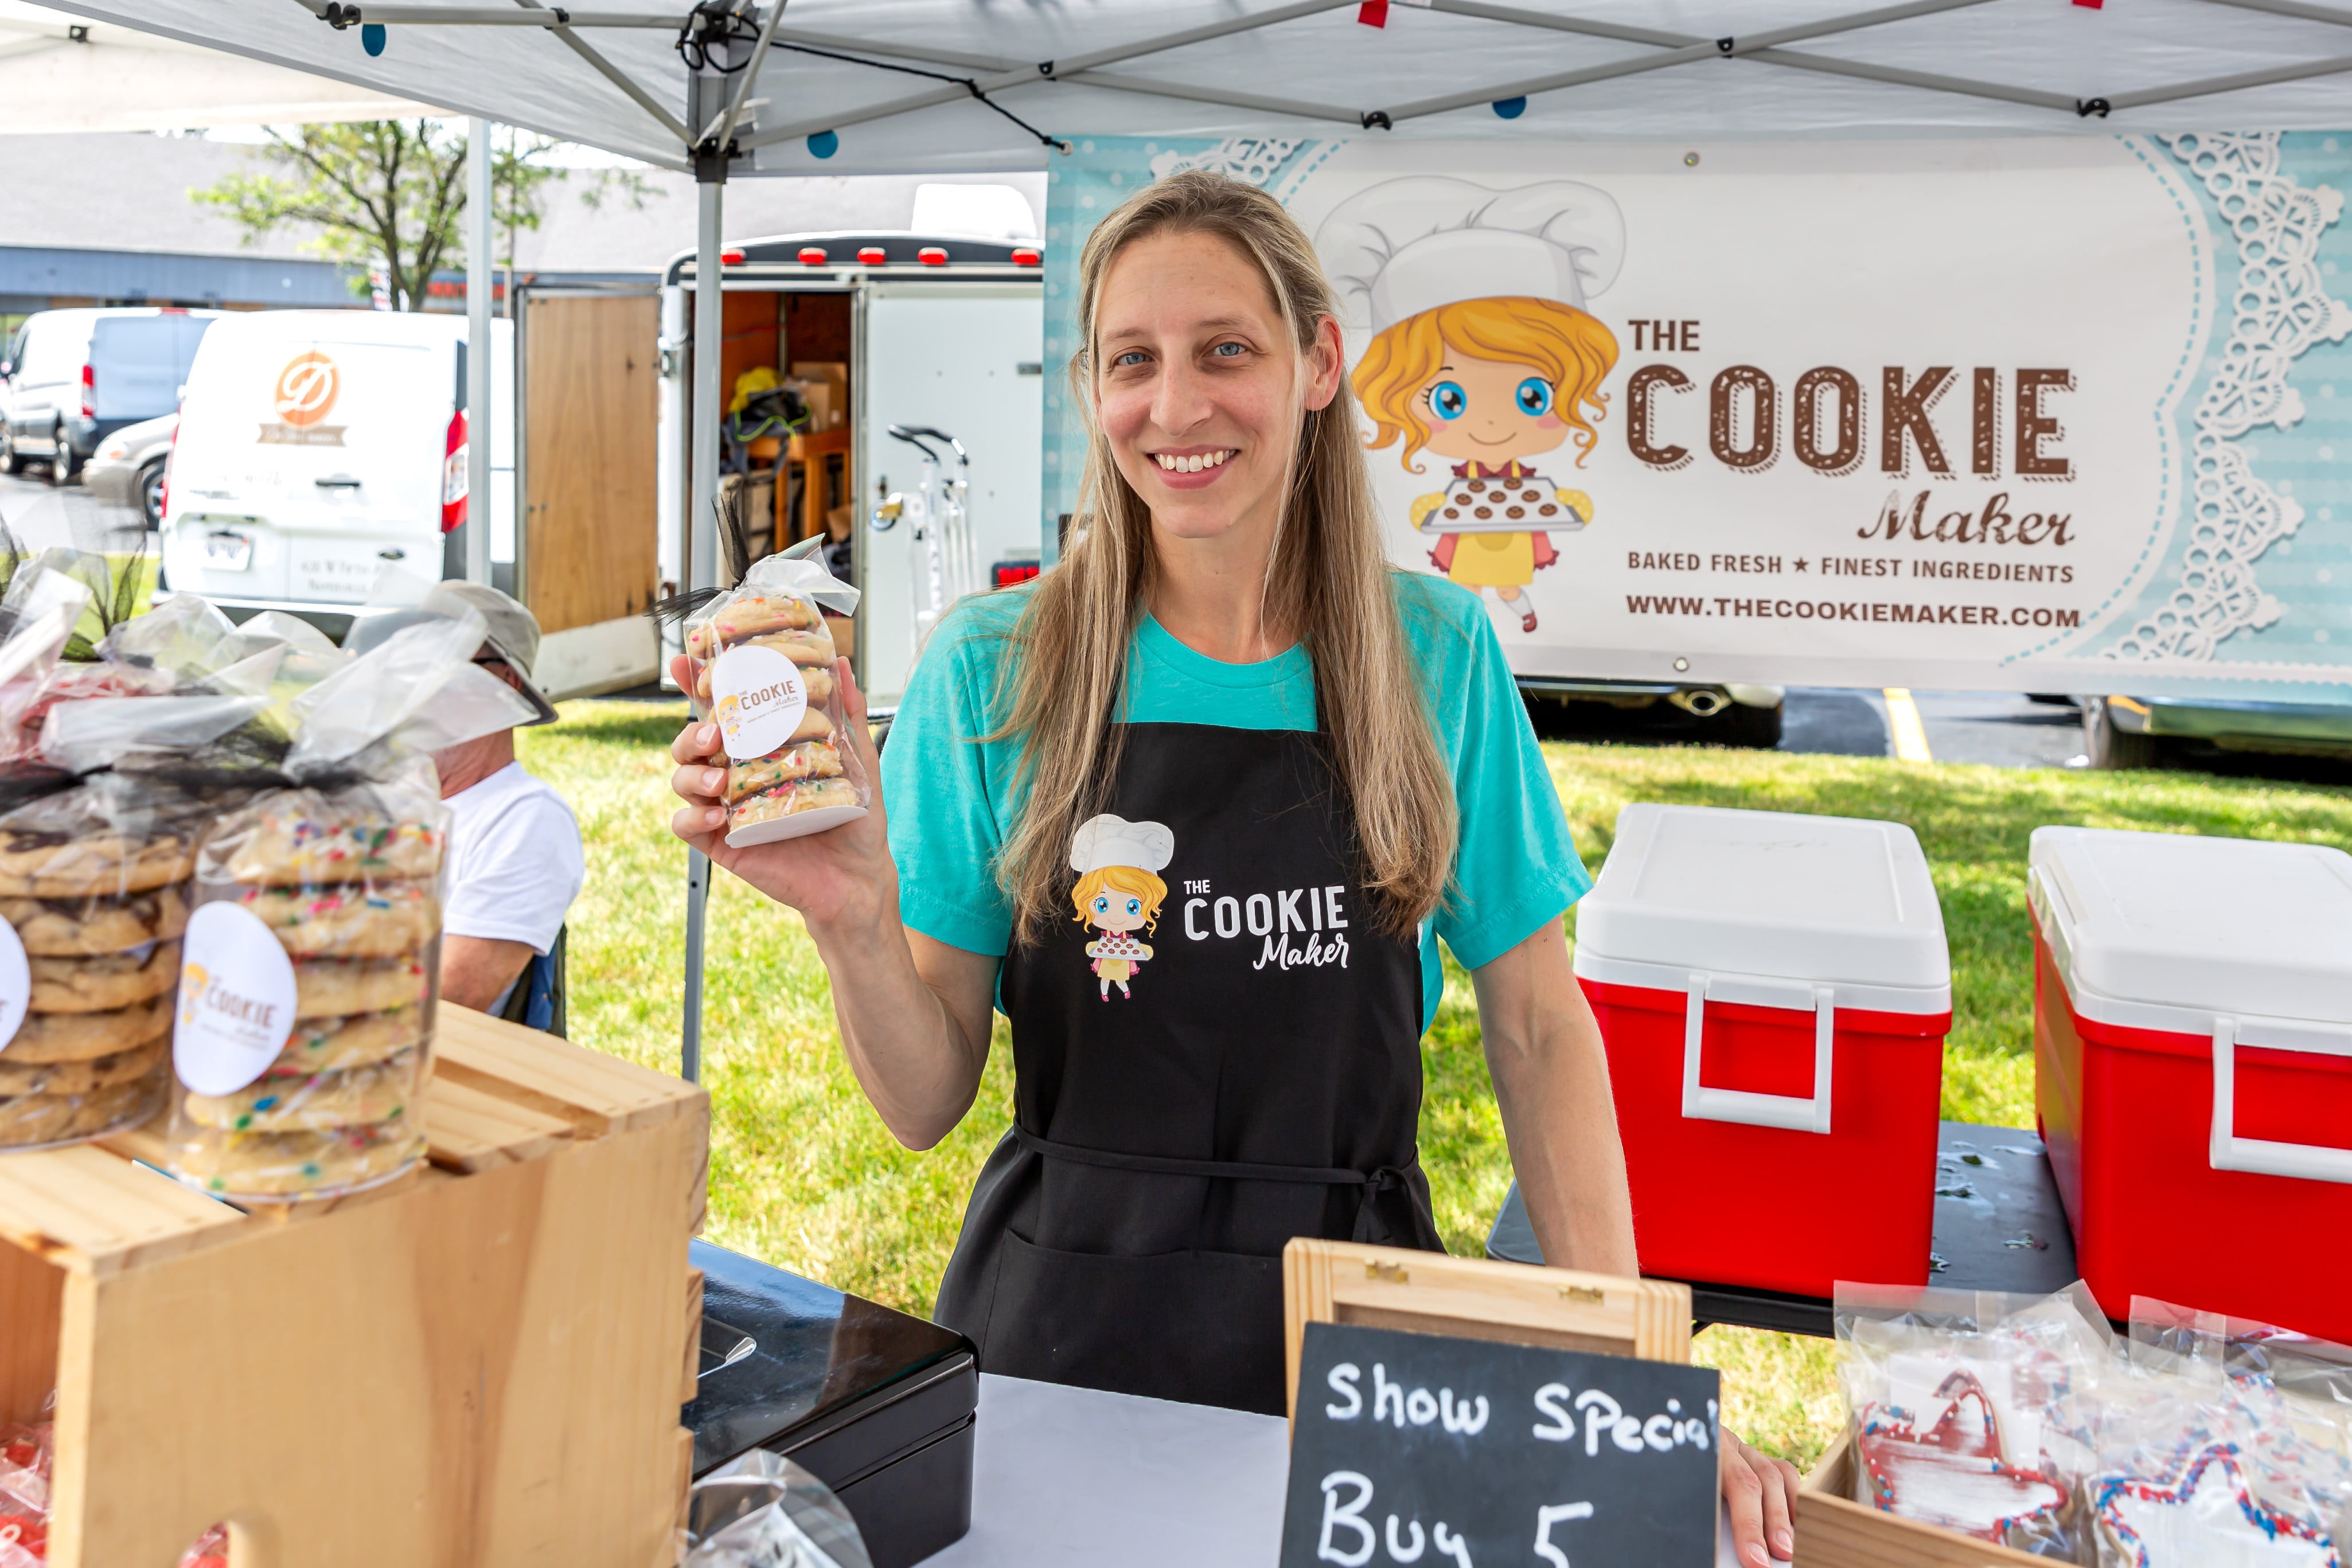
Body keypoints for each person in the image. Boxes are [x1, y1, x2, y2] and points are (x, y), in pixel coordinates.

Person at [668, 171, 1800, 1566]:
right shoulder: (991, 666)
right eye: (1130, 361)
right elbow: (921, 1100)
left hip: (1357, 1341)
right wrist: (851, 917)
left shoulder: (1431, 653)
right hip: (1058, 1335)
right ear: (1090, 389)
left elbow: (1538, 1023)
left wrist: (1638, 1380)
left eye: (1225, 350)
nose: (1175, 406)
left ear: (1318, 363)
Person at [359, 582, 583, 1027]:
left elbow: (450, 998)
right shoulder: (378, 795)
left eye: (436, 662)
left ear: (504, 682)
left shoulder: (526, 817)